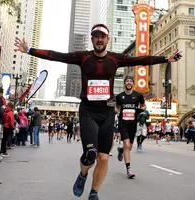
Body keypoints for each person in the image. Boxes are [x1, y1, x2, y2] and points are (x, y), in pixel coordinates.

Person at [14, 23, 181, 200]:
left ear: (107, 39)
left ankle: (94, 193)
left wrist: (166, 59)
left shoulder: (115, 59)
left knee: (103, 157)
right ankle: (83, 175)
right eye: (96, 36)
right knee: (91, 154)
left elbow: (141, 59)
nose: (99, 40)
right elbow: (57, 56)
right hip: (88, 111)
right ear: (92, 39)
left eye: (103, 37)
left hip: (108, 113)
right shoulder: (83, 57)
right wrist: (29, 50)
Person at [115, 75, 145, 178]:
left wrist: (142, 111)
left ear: (133, 84)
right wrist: (115, 112)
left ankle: (121, 150)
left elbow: (143, 105)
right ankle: (129, 170)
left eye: (130, 81)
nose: (129, 83)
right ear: (125, 83)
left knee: (129, 147)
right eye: (127, 81)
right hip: (123, 123)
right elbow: (117, 107)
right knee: (127, 144)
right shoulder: (119, 96)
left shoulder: (138, 95)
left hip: (133, 124)